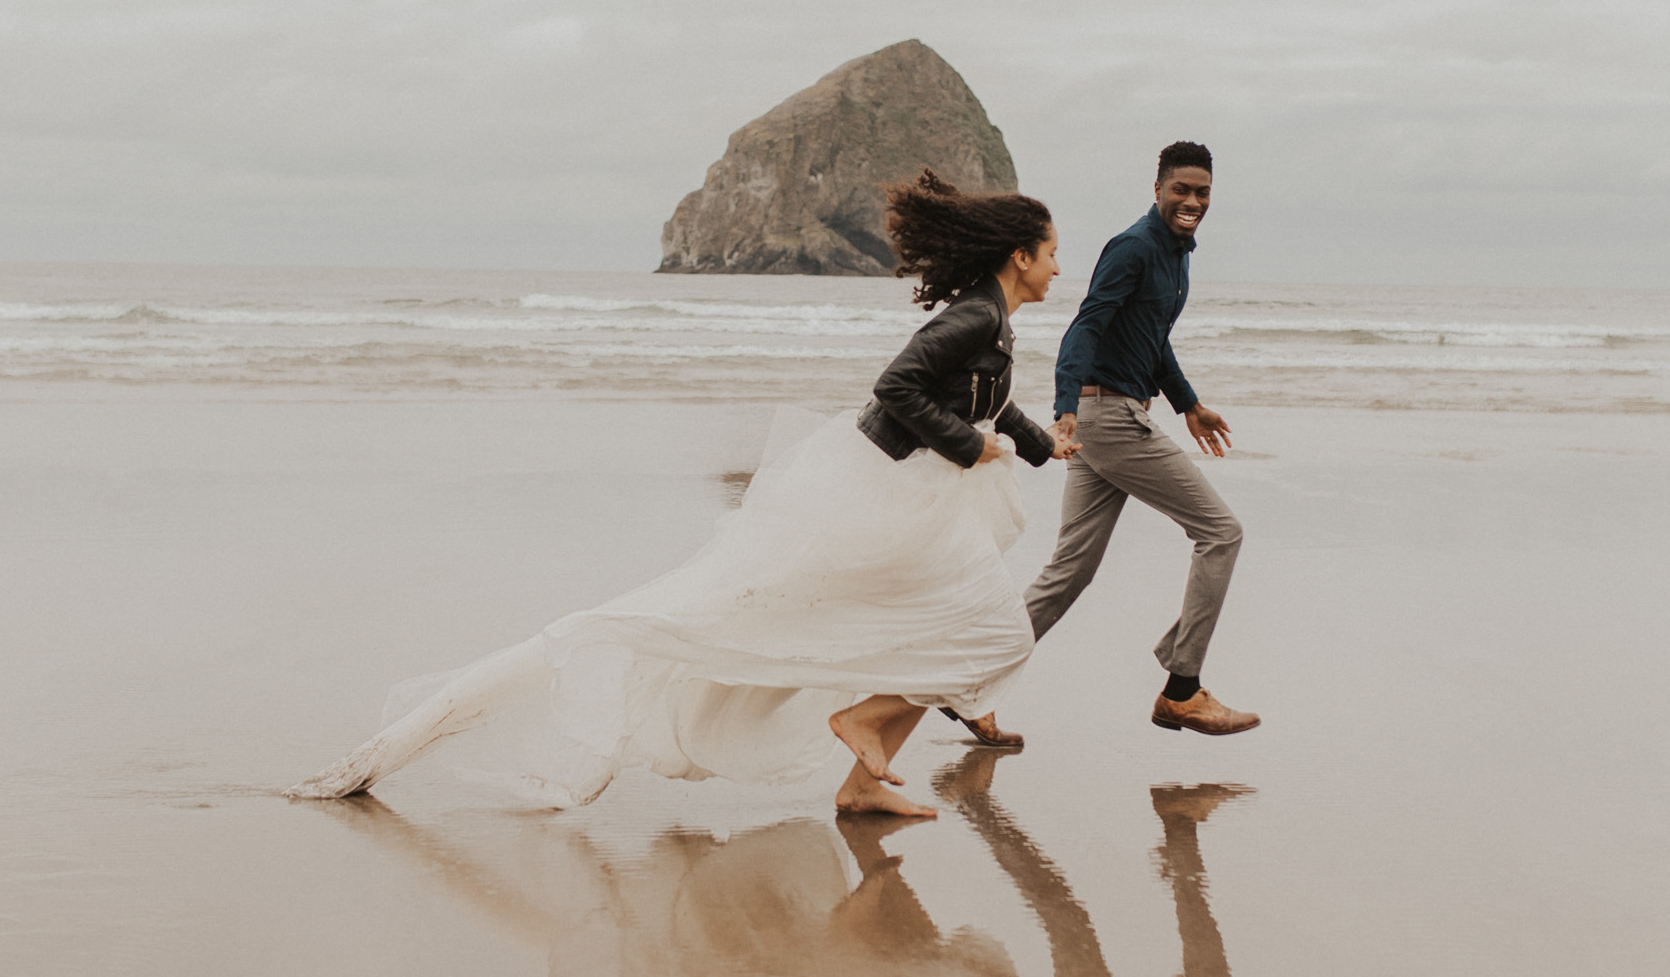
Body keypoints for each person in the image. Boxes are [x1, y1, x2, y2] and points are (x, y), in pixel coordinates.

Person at [290, 168, 1064, 818]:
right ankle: (861, 720)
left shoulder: (991, 319)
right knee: (990, 636)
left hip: (917, 505)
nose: (1060, 268)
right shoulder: (972, 316)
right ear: (1020, 255)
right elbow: (897, 386)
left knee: (937, 634)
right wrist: (972, 445)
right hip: (884, 501)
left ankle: (864, 783)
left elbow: (986, 400)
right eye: (1053, 254)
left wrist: (1036, 442)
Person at [1022, 142, 1259, 736]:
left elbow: (1153, 336)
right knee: (1220, 533)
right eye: (1181, 189)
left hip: (1111, 418)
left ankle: (967, 680)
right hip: (1110, 419)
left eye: (1202, 192)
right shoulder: (1133, 247)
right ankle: (1183, 688)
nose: (1192, 201)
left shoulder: (1177, 253)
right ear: (1157, 189)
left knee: (1068, 572)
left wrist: (1188, 405)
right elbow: (1088, 323)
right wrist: (1065, 405)